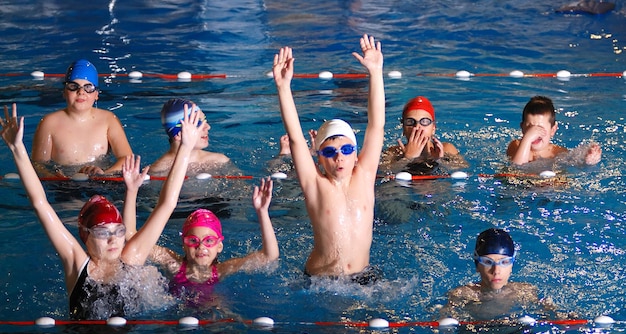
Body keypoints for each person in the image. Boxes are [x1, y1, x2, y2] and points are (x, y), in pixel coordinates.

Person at [1, 102, 202, 319]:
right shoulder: (77, 263)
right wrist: (17, 149)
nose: (113, 240)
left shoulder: (133, 258)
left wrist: (185, 147)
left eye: (118, 231)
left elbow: (167, 204)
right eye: (103, 233)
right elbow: (40, 203)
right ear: (85, 236)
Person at [272, 34, 385, 282]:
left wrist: (376, 73)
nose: (339, 157)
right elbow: (295, 139)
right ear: (319, 159)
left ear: (355, 155)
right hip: (320, 280)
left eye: (346, 150)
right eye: (329, 152)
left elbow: (376, 126)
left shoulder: (365, 177)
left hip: (362, 276)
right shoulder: (316, 185)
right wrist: (283, 87)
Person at [123, 161, 279, 305]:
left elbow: (268, 257)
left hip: (212, 307)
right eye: (193, 240)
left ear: (220, 246)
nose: (201, 247)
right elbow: (132, 239)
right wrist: (132, 190)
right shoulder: (172, 263)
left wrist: (263, 212)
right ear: (184, 244)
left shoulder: (223, 270)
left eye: (209, 241)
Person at [31, 59, 133, 177]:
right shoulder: (49, 123)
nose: (81, 92)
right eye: (73, 86)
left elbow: (127, 159)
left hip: (102, 183)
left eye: (88, 87)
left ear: (96, 95)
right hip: (63, 186)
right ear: (64, 91)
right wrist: (55, 177)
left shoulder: (108, 120)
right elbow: (38, 165)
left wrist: (103, 174)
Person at [440, 228, 559, 322]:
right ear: (477, 266)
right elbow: (443, 315)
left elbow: (549, 311)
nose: (496, 271)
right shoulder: (463, 294)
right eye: (487, 262)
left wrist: (561, 316)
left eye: (504, 262)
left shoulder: (524, 291)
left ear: (511, 266)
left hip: (511, 331)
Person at [380, 96, 465, 175]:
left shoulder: (447, 149)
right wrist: (407, 158)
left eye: (424, 122)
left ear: (433, 128)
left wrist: (439, 161)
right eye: (410, 122)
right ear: (403, 128)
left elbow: (463, 169)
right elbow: (383, 172)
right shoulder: (393, 152)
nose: (417, 127)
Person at [507, 95, 602, 166]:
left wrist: (588, 162)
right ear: (522, 128)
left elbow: (577, 166)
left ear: (553, 130)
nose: (534, 133)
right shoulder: (515, 146)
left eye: (540, 128)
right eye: (530, 128)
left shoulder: (558, 152)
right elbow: (517, 167)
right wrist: (527, 139)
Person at [148, 98, 231, 177]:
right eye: (198, 122)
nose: (208, 127)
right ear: (178, 134)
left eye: (205, 120)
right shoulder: (159, 171)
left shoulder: (220, 161)